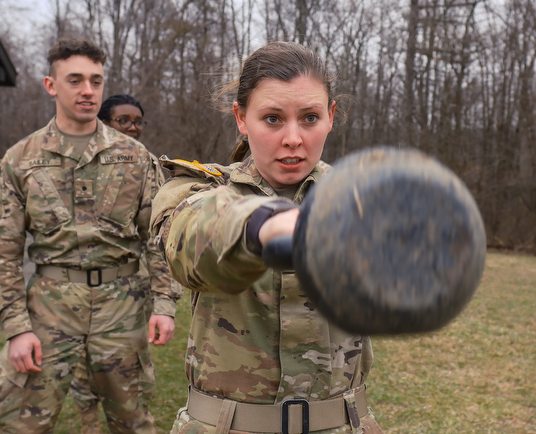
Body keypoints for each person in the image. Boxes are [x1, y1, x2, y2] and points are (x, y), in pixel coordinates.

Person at [150, 41, 384, 433]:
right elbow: (190, 243)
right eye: (273, 119)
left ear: (330, 117)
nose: (293, 138)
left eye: (309, 118)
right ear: (242, 118)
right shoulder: (194, 189)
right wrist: (259, 226)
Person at [0, 37, 181, 434]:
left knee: (132, 421)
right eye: (75, 80)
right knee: (20, 423)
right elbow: (1, 254)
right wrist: (17, 327)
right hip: (50, 310)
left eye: (96, 80)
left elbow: (159, 238)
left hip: (122, 308)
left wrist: (164, 304)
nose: (88, 90)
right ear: (51, 85)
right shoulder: (20, 159)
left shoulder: (135, 157)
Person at [67, 94, 159, 432]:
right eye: (124, 120)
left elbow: (158, 238)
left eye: (138, 121)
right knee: (82, 380)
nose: (133, 127)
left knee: (128, 388)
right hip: (71, 298)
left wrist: (164, 301)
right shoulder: (70, 161)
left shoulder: (144, 164)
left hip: (125, 296)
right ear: (104, 122)